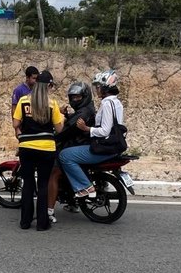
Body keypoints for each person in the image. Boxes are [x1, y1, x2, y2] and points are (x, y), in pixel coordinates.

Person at [59, 69, 124, 198]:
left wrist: (86, 129)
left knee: (65, 156)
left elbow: (105, 130)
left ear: (106, 87)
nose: (97, 90)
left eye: (98, 87)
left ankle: (85, 187)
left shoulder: (106, 104)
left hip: (104, 147)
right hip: (115, 145)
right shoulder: (116, 102)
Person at [12, 70, 64, 231]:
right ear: (48, 85)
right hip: (46, 148)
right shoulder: (52, 103)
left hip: (26, 148)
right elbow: (59, 128)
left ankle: (25, 222)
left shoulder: (23, 101)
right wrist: (62, 117)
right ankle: (42, 223)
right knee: (43, 184)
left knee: (27, 183)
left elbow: (15, 124)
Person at [47, 81, 96, 223]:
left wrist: (54, 137)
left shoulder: (84, 112)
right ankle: (72, 201)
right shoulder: (86, 109)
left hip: (77, 144)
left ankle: (49, 210)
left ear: (85, 96)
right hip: (80, 142)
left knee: (55, 171)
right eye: (73, 97)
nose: (75, 100)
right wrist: (68, 116)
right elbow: (73, 125)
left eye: (78, 97)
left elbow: (67, 130)